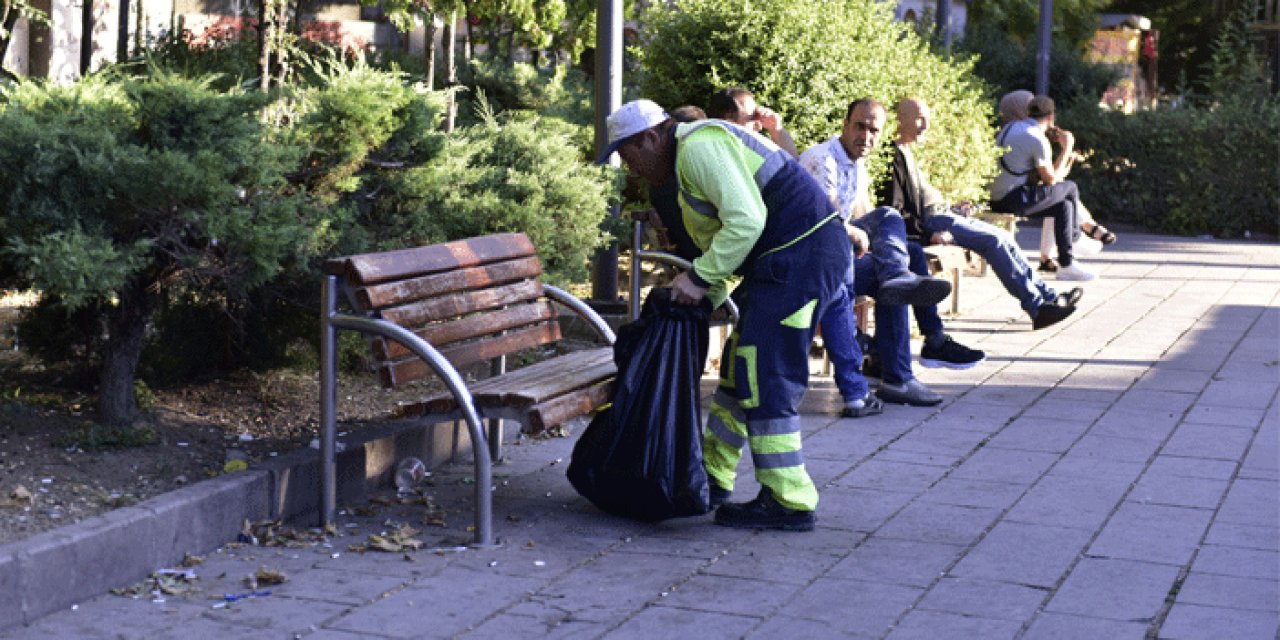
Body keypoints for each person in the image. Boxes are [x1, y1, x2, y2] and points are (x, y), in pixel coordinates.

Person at [598, 98, 853, 531]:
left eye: (627, 154)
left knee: (766, 373)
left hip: (801, 260)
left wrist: (699, 279)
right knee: (740, 369)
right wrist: (705, 291)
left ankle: (789, 499)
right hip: (787, 260)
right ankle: (713, 479)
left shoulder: (698, 148)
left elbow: (746, 221)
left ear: (651, 138)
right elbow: (731, 236)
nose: (630, 168)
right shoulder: (686, 158)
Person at [707, 88, 893, 415]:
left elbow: (792, 170)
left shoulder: (741, 147)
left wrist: (777, 131)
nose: (759, 123)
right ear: (727, 121)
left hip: (791, 250)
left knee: (844, 280)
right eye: (752, 118)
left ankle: (861, 379)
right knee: (835, 282)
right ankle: (855, 382)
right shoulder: (723, 152)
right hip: (775, 257)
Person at [799, 98, 956, 406]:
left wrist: (879, 250)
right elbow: (826, 221)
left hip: (842, 260)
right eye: (860, 127)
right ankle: (905, 369)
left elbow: (863, 218)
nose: (866, 137)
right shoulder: (822, 160)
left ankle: (899, 364)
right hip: (815, 266)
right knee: (890, 233)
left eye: (874, 131)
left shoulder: (856, 165)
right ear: (845, 125)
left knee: (904, 258)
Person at [884, 98, 1079, 331]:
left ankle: (1048, 297)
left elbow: (922, 198)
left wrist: (953, 207)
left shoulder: (908, 151)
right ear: (899, 119)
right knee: (994, 241)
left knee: (1003, 237)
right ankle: (1037, 308)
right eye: (919, 119)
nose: (925, 125)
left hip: (944, 213)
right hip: (934, 222)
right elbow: (895, 211)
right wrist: (930, 233)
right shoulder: (893, 155)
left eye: (927, 118)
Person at [997, 91, 1117, 273]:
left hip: (1001, 196)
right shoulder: (1035, 137)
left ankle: (1066, 264)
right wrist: (1067, 148)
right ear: (1051, 116)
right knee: (1070, 187)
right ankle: (1076, 236)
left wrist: (1064, 157)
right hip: (1011, 199)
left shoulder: (1010, 128)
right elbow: (1051, 180)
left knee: (1062, 205)